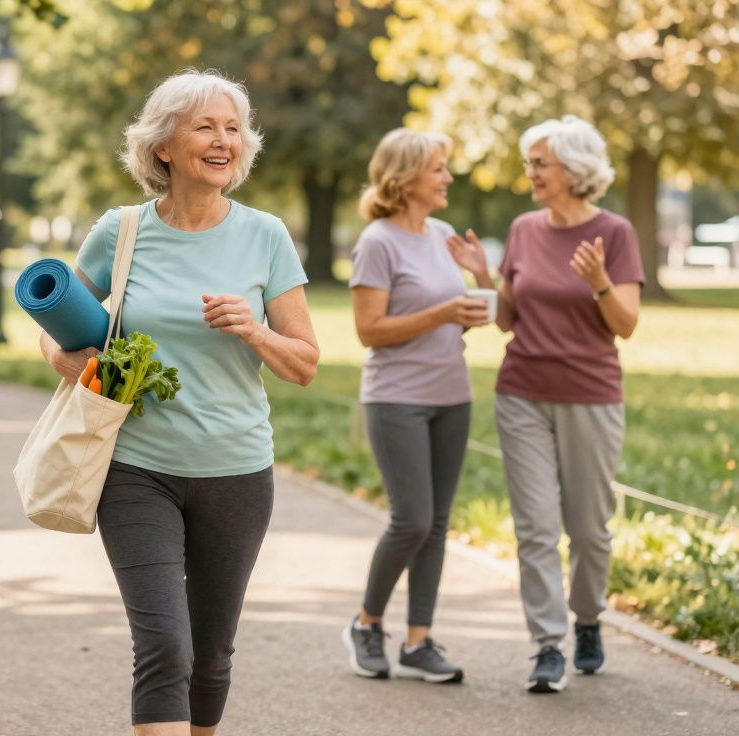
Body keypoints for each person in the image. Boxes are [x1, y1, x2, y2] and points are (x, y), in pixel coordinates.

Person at [40, 71, 319, 736]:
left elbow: (305, 363)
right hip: (137, 469)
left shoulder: (266, 236)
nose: (224, 140)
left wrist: (253, 329)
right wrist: (95, 368)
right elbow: (58, 345)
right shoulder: (120, 232)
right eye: (206, 127)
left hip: (236, 470)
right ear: (163, 146)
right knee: (165, 645)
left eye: (232, 128)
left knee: (212, 655)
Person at [494, 115, 643, 694]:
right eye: (530, 162)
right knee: (535, 527)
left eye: (539, 163)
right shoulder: (524, 229)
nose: (529, 172)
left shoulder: (615, 232)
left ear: (574, 170)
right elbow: (508, 316)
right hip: (522, 392)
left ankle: (587, 620)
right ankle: (547, 644)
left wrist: (601, 281)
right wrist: (482, 275)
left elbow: (626, 325)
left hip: (590, 394)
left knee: (588, 530)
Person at [341, 129, 493, 684]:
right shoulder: (377, 242)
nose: (448, 178)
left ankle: (418, 641)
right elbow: (368, 331)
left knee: (437, 525)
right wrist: (441, 314)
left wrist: (480, 274)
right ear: (405, 178)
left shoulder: (444, 234)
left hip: (452, 395)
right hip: (396, 398)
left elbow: (478, 308)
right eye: (438, 169)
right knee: (412, 520)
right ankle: (366, 624)